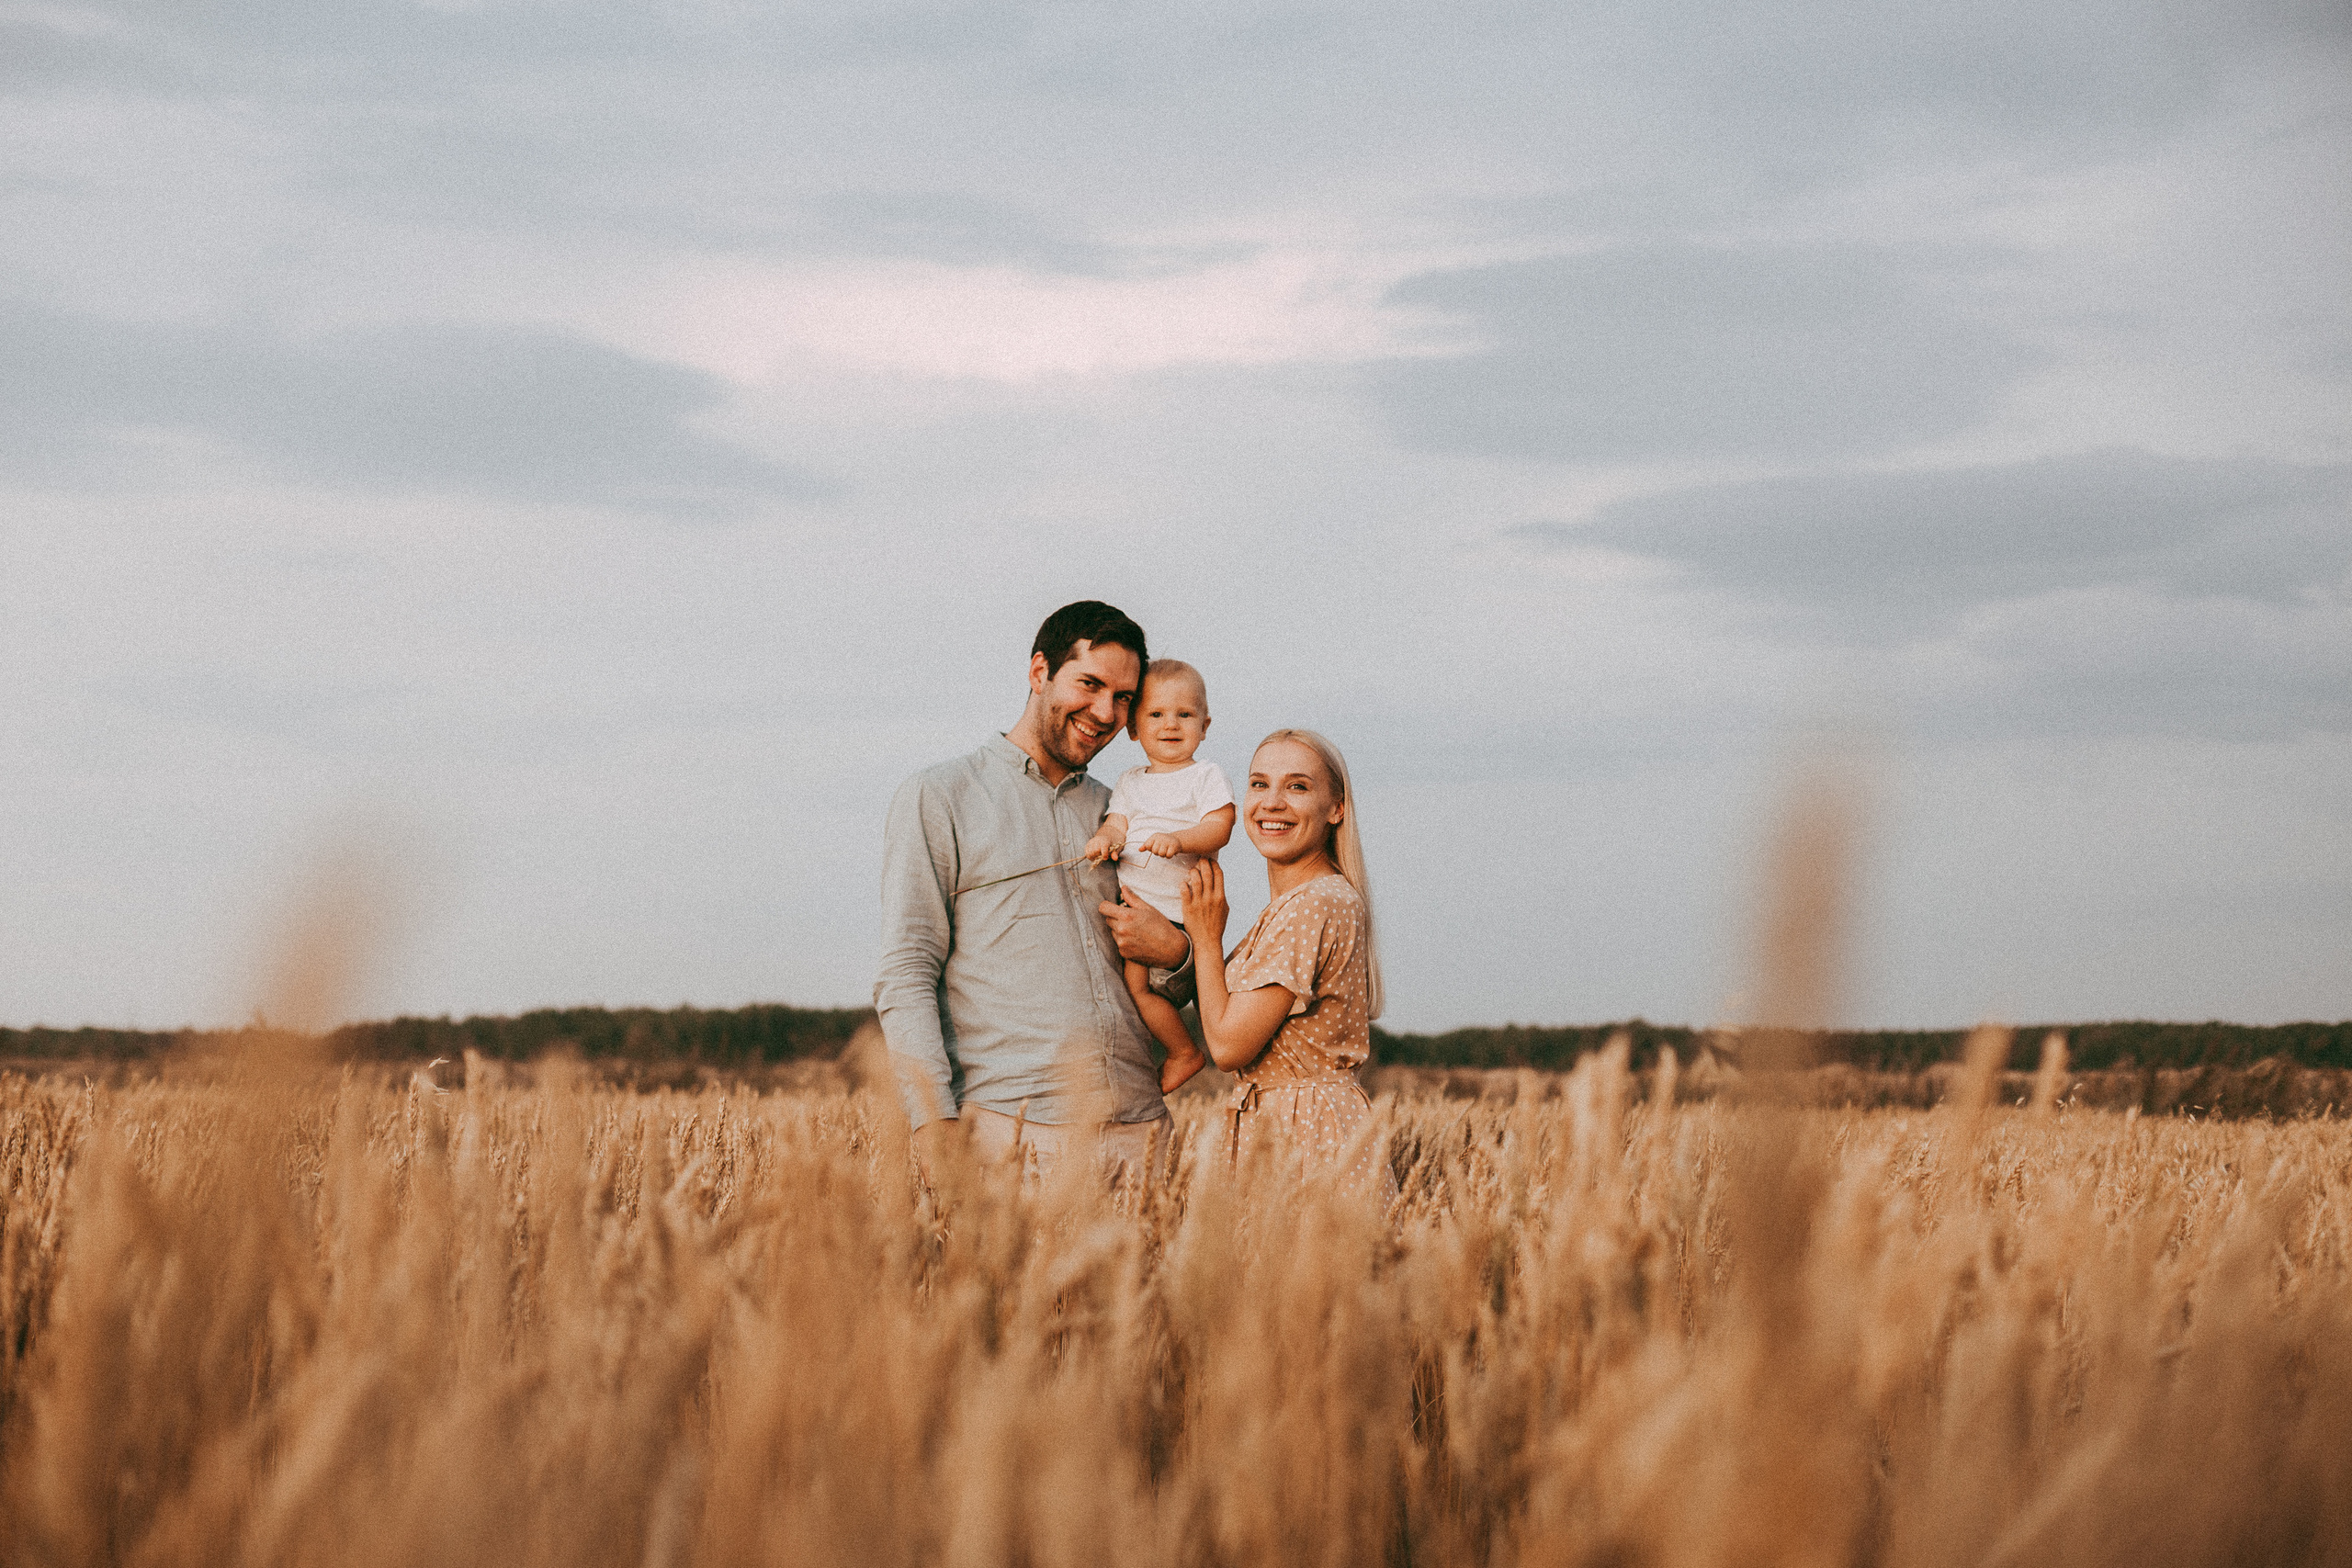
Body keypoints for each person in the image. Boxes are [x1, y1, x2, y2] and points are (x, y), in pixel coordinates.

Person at [873, 601, 1196, 1180]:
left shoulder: (1126, 810)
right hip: (1009, 1133)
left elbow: (1180, 977)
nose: (1104, 712)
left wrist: (1175, 953)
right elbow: (907, 967)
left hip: (1142, 1135)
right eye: (1090, 684)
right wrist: (933, 1125)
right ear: (1040, 672)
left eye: (1124, 698)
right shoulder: (941, 795)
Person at [1177, 728, 1388, 1190]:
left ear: (1337, 809)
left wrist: (1207, 938)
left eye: (1297, 786)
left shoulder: (1314, 904)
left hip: (1306, 1137)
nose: (1271, 802)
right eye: (1258, 784)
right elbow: (1224, 1004)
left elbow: (1230, 1046)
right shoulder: (1302, 903)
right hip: (1293, 1127)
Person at [1082, 660, 1235, 1094]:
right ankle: (1170, 1053)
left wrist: (1181, 839)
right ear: (1133, 728)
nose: (1170, 725)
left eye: (1184, 715)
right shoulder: (1130, 782)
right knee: (1135, 990)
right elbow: (1117, 824)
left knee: (1148, 988)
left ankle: (1185, 1051)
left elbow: (1220, 825)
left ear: (1204, 726)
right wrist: (1104, 839)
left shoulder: (1204, 775)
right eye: (1156, 715)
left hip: (1177, 911)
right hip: (1136, 909)